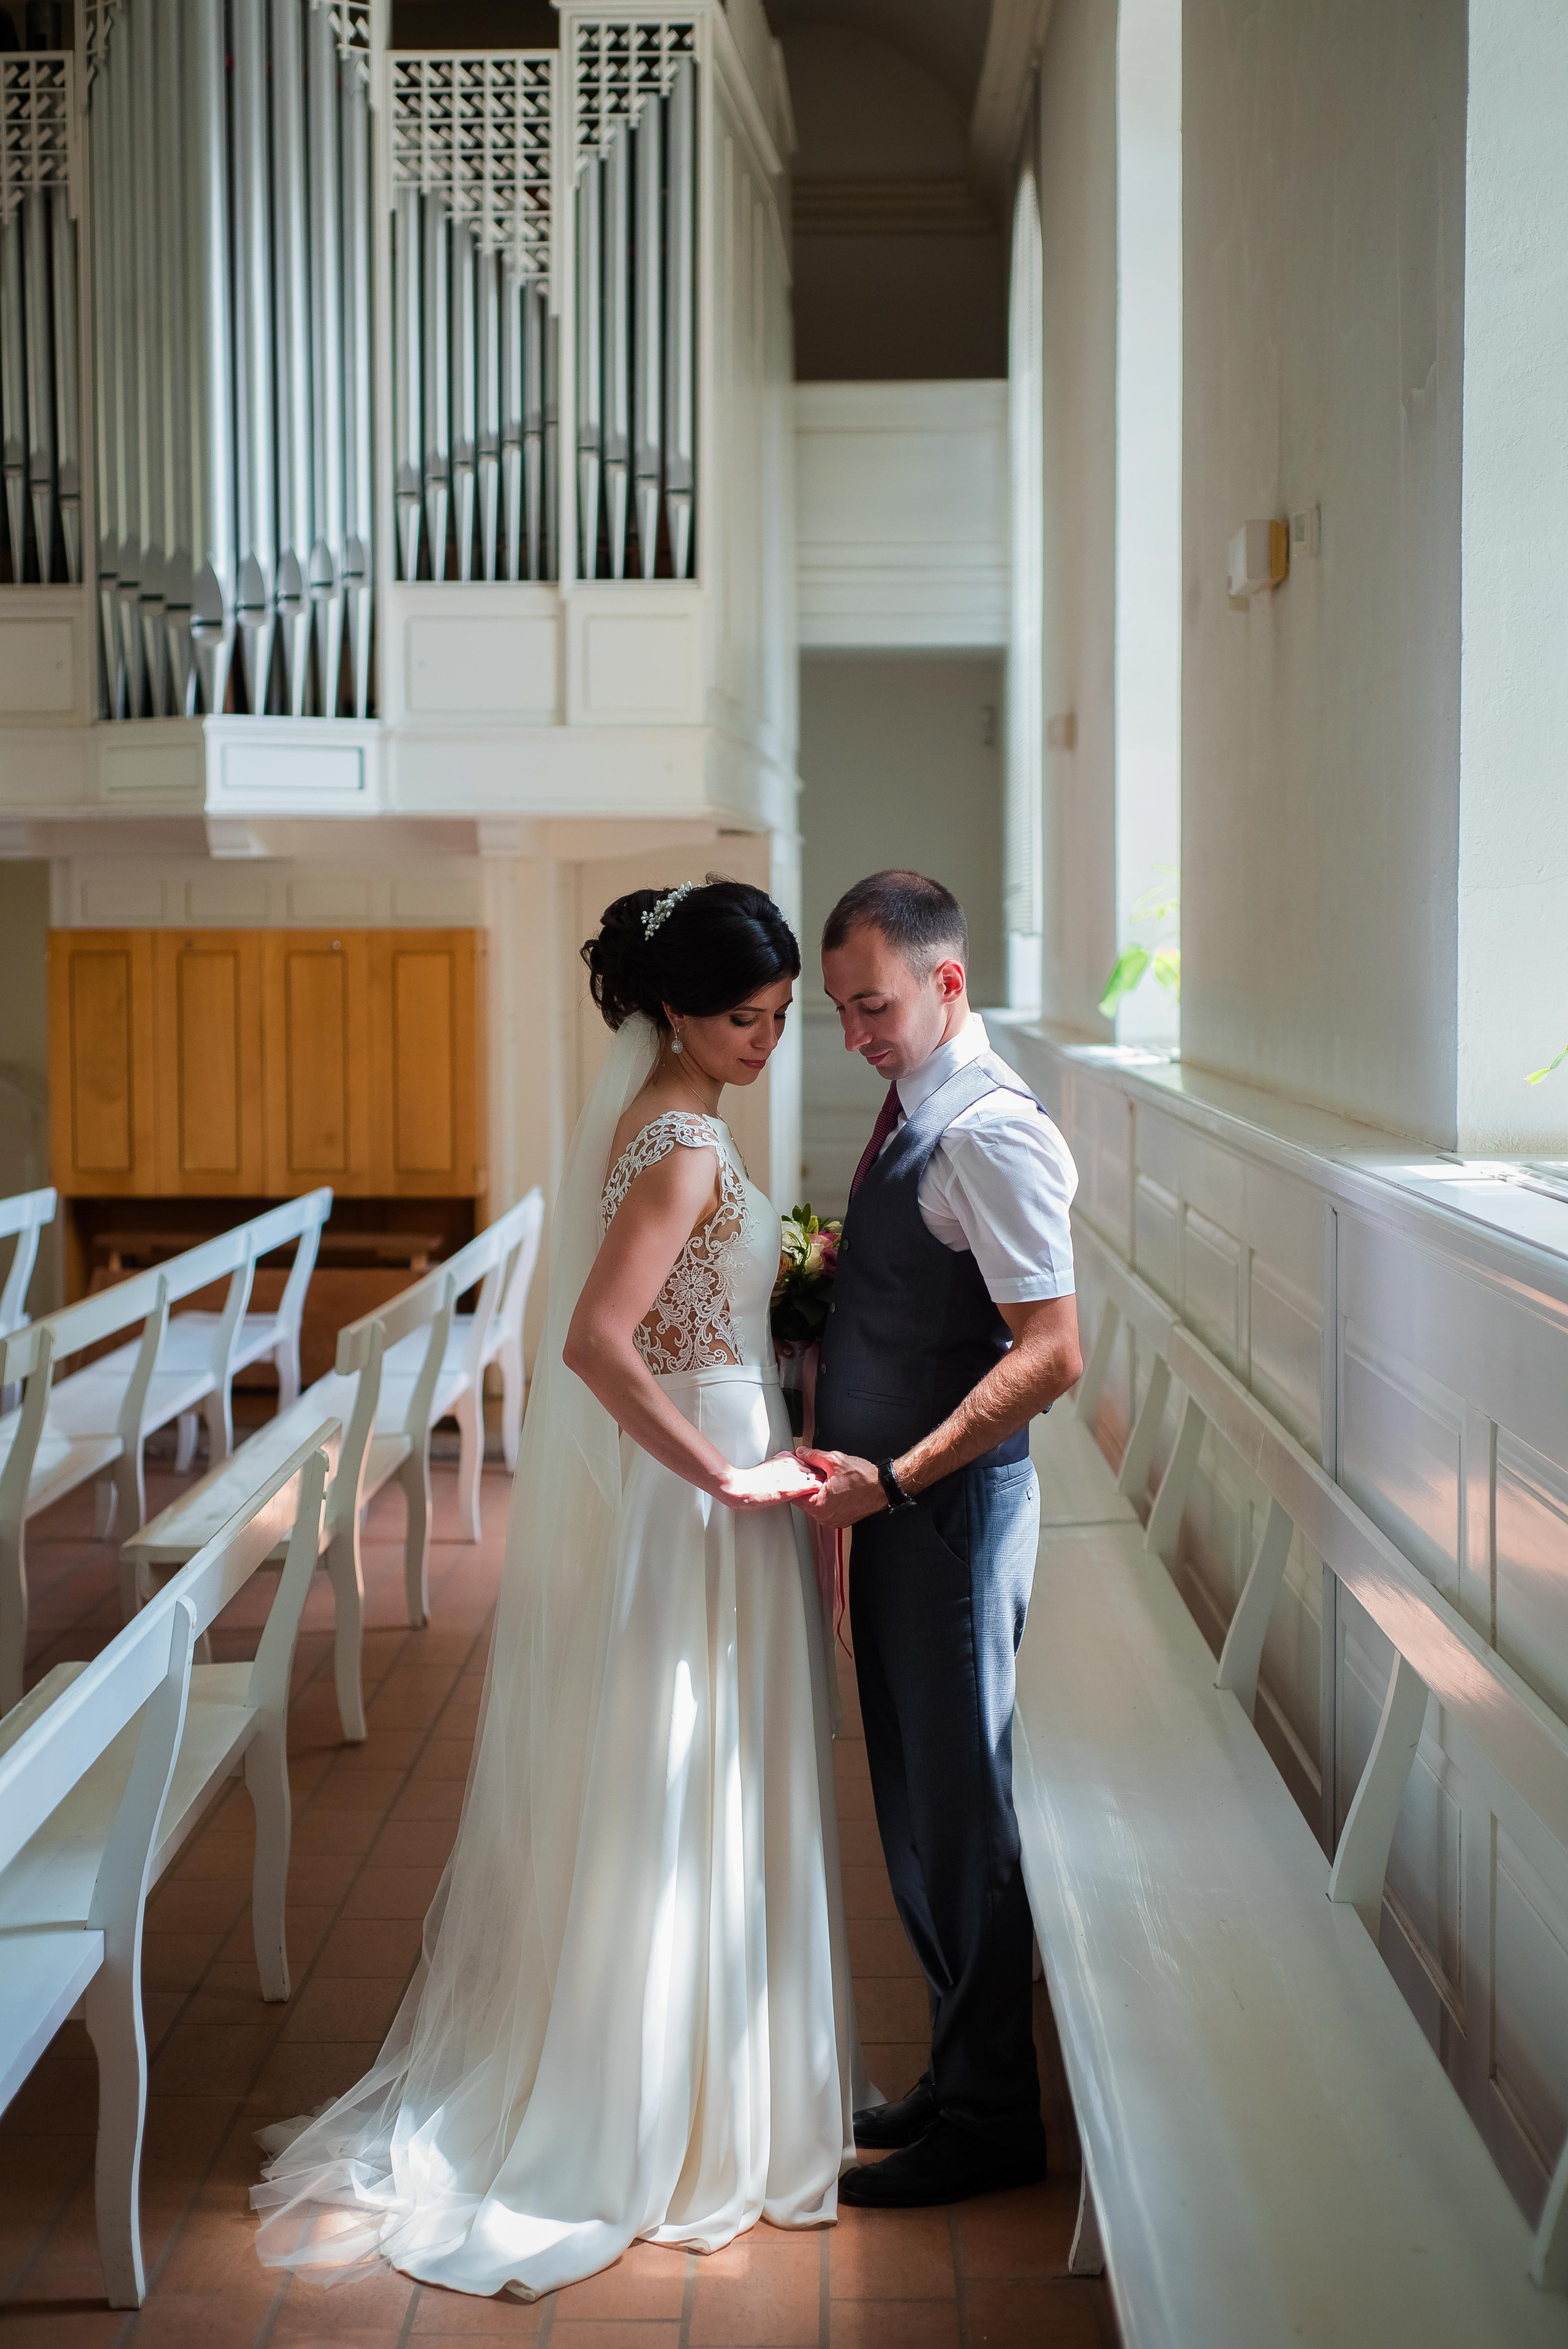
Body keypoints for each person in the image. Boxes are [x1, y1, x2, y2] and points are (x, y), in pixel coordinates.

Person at [253, 878, 861, 2300]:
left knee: (680, 1772)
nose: (764, 1040)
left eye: (778, 1018)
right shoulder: (680, 1145)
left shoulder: (666, 1121)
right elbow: (596, 1343)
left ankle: (699, 2085)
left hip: (719, 1450)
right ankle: (665, 2107)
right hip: (702, 1475)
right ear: (670, 1007)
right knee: (680, 1775)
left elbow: (669, 1307)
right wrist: (727, 1476)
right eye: (741, 1017)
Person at [801, 869, 1082, 2209]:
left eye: (874, 1006)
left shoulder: (988, 1130)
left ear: (945, 981)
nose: (857, 1032)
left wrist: (901, 1480)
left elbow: (1052, 1352)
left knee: (962, 1811)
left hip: (948, 1516)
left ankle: (991, 2116)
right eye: (841, 1011)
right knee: (914, 1805)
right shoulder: (916, 1100)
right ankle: (951, 2066)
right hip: (900, 1515)